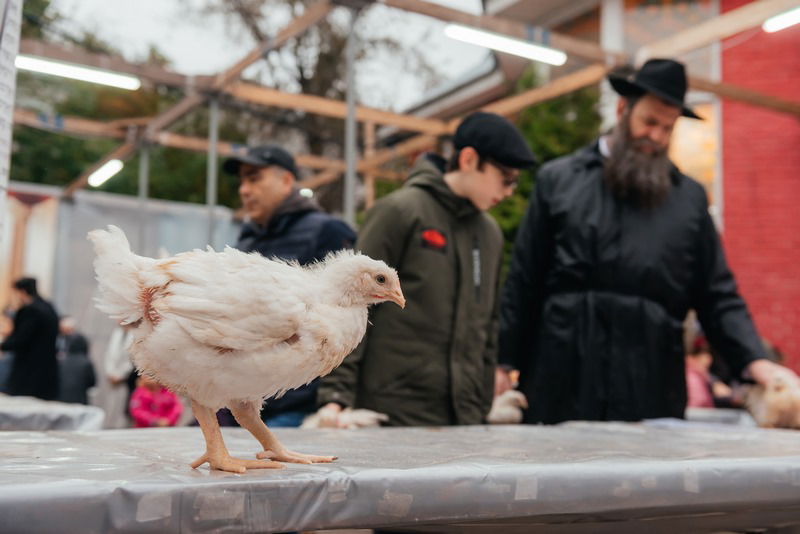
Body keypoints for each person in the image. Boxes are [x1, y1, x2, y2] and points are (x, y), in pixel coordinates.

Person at [498, 58, 798, 424]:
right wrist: (503, 362)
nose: (656, 136)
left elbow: (717, 294)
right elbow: (523, 282)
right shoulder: (559, 181)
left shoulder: (688, 199)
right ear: (623, 109)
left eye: (667, 128)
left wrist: (756, 362)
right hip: (562, 376)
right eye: (649, 122)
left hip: (651, 386)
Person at [318, 111, 537, 426]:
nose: (510, 190)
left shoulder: (489, 234)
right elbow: (350, 304)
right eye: (507, 178)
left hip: (465, 415)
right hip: (395, 412)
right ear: (470, 159)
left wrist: (485, 391)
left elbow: (488, 323)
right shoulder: (399, 212)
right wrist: (336, 398)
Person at [222, 143, 356, 427]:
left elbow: (349, 322)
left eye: (254, 178)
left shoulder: (329, 233)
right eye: (242, 181)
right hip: (237, 398)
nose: (244, 190)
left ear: (286, 181)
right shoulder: (246, 241)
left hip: (295, 406)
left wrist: (335, 399)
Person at [0, 277, 60, 401]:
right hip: (47, 372)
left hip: (30, 373)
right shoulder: (48, 307)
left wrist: (3, 344)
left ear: (22, 292)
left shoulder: (30, 311)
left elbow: (21, 339)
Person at [56, 316, 97, 404]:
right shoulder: (86, 363)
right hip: (79, 400)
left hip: (61, 399)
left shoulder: (62, 361)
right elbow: (92, 383)